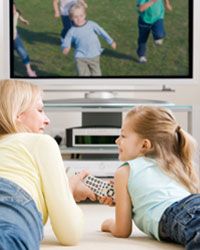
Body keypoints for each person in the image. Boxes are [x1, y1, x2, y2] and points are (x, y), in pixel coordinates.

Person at [0, 79, 96, 249]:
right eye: (40, 110)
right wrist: (67, 190)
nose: (47, 120)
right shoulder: (40, 142)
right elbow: (69, 233)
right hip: (9, 196)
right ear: (18, 114)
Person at [101, 106, 200, 249]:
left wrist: (109, 224)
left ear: (144, 145)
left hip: (180, 214)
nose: (117, 141)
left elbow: (122, 230)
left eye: (123, 136)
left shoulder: (124, 172)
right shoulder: (172, 164)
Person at [61, 1, 117, 76]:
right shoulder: (71, 31)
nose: (79, 19)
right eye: (76, 17)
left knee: (97, 74)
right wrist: (65, 48)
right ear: (71, 18)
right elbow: (66, 41)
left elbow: (102, 32)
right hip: (80, 57)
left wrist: (111, 41)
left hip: (94, 55)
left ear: (85, 15)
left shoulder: (92, 24)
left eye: (81, 15)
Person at [13, 3, 37, 77]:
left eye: (14, 8)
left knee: (23, 52)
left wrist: (24, 21)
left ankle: (29, 71)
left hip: (15, 38)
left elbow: (20, 18)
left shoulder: (16, 13)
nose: (13, 10)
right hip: (4, 40)